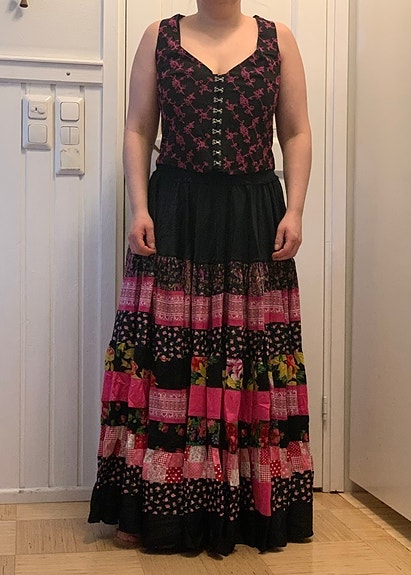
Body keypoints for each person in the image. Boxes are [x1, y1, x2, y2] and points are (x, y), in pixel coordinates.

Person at [88, 0, 313, 556]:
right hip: (177, 214)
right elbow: (138, 129)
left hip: (252, 216)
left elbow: (295, 132)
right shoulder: (158, 37)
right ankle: (153, 506)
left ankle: (245, 507)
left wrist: (296, 209)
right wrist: (139, 207)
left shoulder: (278, 39)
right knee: (165, 356)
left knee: (248, 359)